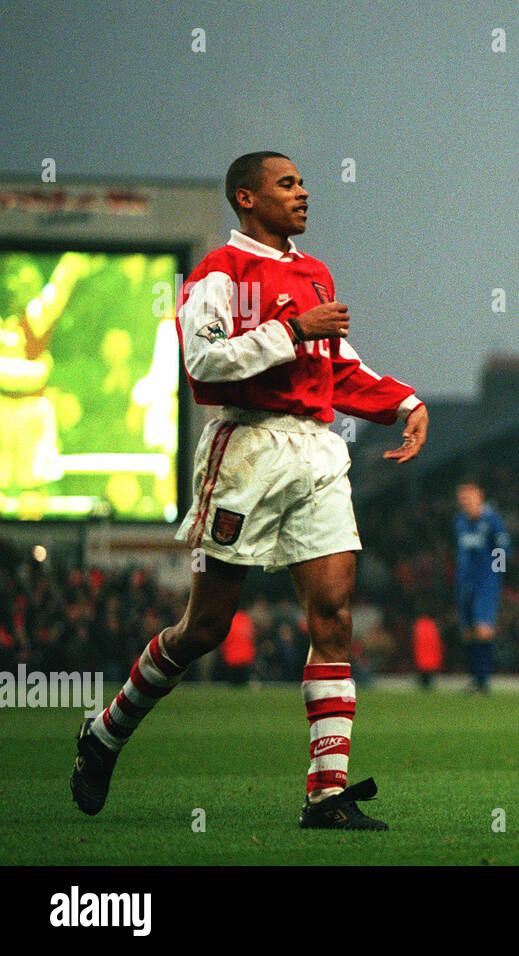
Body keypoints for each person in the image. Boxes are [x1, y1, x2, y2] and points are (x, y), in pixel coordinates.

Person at [69, 151, 428, 830]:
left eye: (301, 183)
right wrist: (292, 330)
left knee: (335, 616)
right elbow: (204, 362)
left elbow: (338, 369)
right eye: (287, 184)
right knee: (205, 627)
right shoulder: (217, 274)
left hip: (316, 452)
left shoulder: (313, 272)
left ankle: (326, 794)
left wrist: (404, 402)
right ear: (247, 198)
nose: (303, 193)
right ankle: (105, 733)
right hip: (246, 451)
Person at [454, 480, 510, 692]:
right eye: (462, 498)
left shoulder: (491, 520)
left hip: (485, 583)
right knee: (468, 631)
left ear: (480, 496)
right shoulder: (460, 522)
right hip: (464, 583)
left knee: (483, 629)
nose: (464, 501)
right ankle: (475, 678)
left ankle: (483, 681)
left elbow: (504, 547)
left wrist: (496, 574)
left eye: (468, 497)